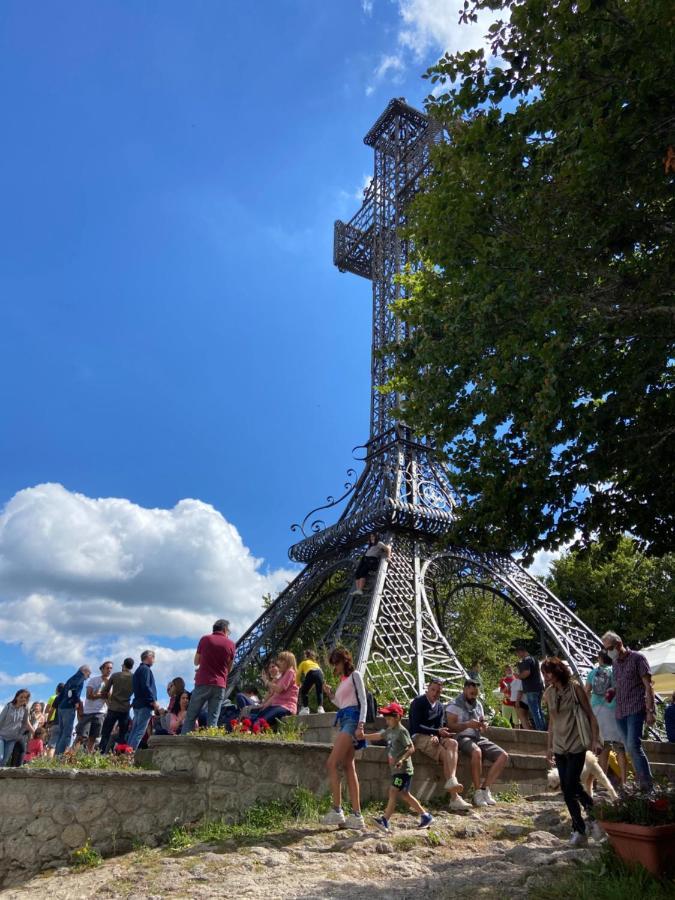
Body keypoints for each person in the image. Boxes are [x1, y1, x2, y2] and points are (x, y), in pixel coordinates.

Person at [542, 657, 604, 847]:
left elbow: (590, 715)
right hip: (559, 745)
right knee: (568, 789)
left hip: (576, 742)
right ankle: (582, 827)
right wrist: (549, 746)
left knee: (570, 784)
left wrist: (594, 740)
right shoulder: (549, 693)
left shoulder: (575, 688)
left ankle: (587, 824)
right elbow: (552, 722)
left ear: (558, 671)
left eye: (548, 672)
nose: (546, 676)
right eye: (544, 673)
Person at [363, 702, 434, 832]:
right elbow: (379, 735)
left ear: (397, 717)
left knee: (393, 791)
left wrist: (402, 759)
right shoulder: (391, 730)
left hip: (403, 770)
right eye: (386, 718)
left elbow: (411, 747)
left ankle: (385, 820)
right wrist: (363, 736)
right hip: (396, 770)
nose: (387, 721)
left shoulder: (402, 731)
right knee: (405, 794)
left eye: (389, 718)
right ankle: (426, 816)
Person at [601, 631, 655, 790]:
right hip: (620, 712)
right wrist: (612, 691)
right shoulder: (616, 664)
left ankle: (646, 785)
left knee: (633, 746)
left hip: (636, 708)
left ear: (619, 644)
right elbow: (619, 685)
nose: (608, 652)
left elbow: (648, 686)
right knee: (630, 748)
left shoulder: (638, 658)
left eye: (609, 648)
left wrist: (650, 710)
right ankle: (642, 783)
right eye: (605, 649)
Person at [321, 647, 367, 830]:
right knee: (349, 766)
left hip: (352, 720)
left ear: (344, 661)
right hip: (345, 718)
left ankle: (337, 810)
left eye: (337, 663)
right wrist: (330, 694)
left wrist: (361, 724)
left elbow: (362, 701)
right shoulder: (343, 680)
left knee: (332, 763)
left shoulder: (355, 675)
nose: (336, 667)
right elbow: (342, 704)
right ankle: (356, 815)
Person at [408, 678, 470, 811]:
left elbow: (440, 726)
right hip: (418, 736)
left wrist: (437, 735)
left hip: (434, 736)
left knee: (453, 743)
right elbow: (416, 726)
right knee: (444, 753)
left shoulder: (440, 707)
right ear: (428, 689)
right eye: (433, 690)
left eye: (438, 691)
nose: (435, 693)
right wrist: (435, 733)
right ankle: (454, 797)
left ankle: (452, 780)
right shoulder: (418, 702)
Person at [446, 677, 509, 807]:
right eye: (471, 692)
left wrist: (483, 724)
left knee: (503, 756)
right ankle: (477, 792)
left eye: (476, 692)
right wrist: (467, 724)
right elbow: (450, 725)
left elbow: (481, 720)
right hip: (461, 737)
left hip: (478, 737)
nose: (474, 694)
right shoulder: (454, 704)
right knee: (476, 752)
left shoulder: (478, 704)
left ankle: (485, 789)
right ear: (465, 689)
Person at [181, 619, 236, 734]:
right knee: (213, 718)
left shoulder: (205, 639)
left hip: (203, 681)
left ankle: (184, 742)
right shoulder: (231, 644)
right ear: (225, 629)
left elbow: (196, 661)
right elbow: (229, 669)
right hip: (220, 684)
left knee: (191, 715)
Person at [585, 650, 627, 784]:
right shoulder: (616, 671)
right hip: (614, 710)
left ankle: (602, 781)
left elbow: (586, 691)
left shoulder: (593, 673)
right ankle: (624, 781)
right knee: (620, 748)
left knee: (602, 747)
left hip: (598, 711)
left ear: (600, 659)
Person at [248, 651, 299, 728]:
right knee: (254, 720)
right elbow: (275, 695)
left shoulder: (290, 672)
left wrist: (266, 682)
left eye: (281, 661)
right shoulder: (282, 676)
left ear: (288, 662)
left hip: (286, 707)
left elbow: (279, 689)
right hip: (276, 706)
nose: (278, 663)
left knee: (259, 722)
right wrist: (265, 706)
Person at [75, 660, 113, 752]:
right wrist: (102, 695)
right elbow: (89, 695)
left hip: (101, 712)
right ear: (102, 669)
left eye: (111, 668)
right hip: (89, 712)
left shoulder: (111, 684)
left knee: (93, 737)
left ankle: (88, 757)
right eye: (107, 668)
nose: (109, 670)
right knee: (81, 736)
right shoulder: (94, 680)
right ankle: (70, 756)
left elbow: (109, 699)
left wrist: (99, 694)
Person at [99, 658, 134, 753]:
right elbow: (139, 694)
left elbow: (104, 692)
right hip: (125, 709)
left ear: (124, 665)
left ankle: (100, 754)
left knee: (106, 733)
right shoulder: (134, 678)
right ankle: (120, 757)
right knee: (122, 735)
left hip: (113, 708)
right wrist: (131, 705)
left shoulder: (115, 675)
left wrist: (109, 702)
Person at [128, 650, 161, 750]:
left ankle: (125, 752)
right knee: (139, 731)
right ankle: (129, 754)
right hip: (145, 705)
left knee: (134, 730)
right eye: (153, 658)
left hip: (137, 704)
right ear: (149, 657)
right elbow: (146, 686)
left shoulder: (138, 670)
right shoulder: (146, 669)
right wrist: (153, 701)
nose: (154, 661)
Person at [55, 665, 91, 755]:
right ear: (84, 671)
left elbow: (64, 692)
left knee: (61, 732)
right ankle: (62, 755)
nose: (88, 677)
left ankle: (57, 755)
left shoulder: (71, 678)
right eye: (88, 674)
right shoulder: (80, 677)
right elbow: (73, 689)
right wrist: (76, 702)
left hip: (61, 707)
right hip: (68, 707)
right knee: (67, 733)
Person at [515, 646, 546, 730]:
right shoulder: (534, 659)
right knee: (539, 710)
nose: (518, 656)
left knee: (535, 711)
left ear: (521, 651)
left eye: (518, 653)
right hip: (538, 687)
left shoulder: (526, 660)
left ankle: (541, 731)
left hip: (531, 689)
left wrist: (518, 676)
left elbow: (526, 673)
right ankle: (543, 728)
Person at [0, 689, 31, 766]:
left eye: (25, 698)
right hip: (1, 737)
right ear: (17, 697)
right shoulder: (8, 707)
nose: (23, 699)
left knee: (5, 760)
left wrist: (19, 735)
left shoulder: (25, 709)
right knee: (0, 757)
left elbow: (25, 723)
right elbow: (0, 720)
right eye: (21, 697)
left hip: (12, 739)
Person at [297, 649, 325, 715]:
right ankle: (320, 708)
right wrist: (323, 682)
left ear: (305, 656)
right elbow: (322, 673)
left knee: (304, 691)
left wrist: (298, 683)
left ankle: (305, 708)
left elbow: (298, 674)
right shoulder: (316, 664)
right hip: (319, 674)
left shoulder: (303, 663)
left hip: (310, 673)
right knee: (319, 691)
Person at [44, 682, 65, 757]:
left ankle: (49, 762)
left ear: (57, 689)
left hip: (53, 722)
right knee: (61, 745)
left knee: (51, 744)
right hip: (65, 723)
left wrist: (47, 721)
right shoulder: (67, 698)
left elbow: (47, 710)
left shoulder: (54, 697)